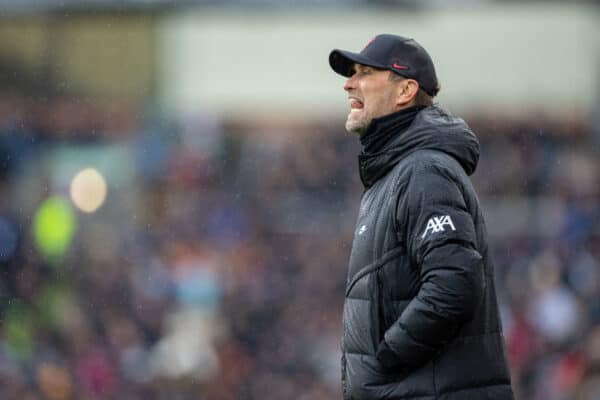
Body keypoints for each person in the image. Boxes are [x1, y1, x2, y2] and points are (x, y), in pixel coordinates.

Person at [328, 34, 515, 399]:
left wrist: (389, 357)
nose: (349, 83)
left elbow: (454, 282)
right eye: (351, 73)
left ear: (405, 91)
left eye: (365, 72)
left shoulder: (423, 170)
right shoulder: (395, 172)